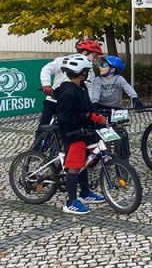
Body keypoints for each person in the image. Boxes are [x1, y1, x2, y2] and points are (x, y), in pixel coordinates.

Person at [55, 54, 107, 215]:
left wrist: (98, 114)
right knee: (75, 166)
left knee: (83, 162)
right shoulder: (69, 92)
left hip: (84, 131)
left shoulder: (81, 87)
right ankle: (71, 202)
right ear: (80, 72)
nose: (88, 73)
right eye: (86, 70)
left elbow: (87, 107)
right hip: (73, 133)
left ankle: (85, 193)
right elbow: (64, 116)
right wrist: (88, 116)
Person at [38, 39, 104, 135]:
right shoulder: (63, 60)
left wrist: (90, 104)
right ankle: (36, 147)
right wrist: (46, 84)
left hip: (73, 104)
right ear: (85, 52)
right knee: (43, 126)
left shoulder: (90, 71)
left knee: (71, 129)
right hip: (54, 100)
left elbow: (89, 88)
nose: (94, 60)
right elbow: (46, 69)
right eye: (93, 56)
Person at [89, 55, 143, 160]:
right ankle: (104, 152)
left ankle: (123, 155)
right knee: (102, 131)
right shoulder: (98, 80)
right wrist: (94, 103)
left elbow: (128, 88)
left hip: (117, 109)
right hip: (101, 108)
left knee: (121, 132)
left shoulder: (119, 79)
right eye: (100, 64)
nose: (100, 67)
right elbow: (96, 92)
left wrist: (135, 98)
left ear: (113, 69)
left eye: (104, 65)